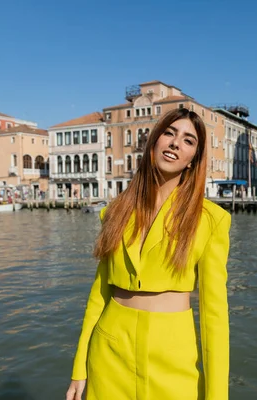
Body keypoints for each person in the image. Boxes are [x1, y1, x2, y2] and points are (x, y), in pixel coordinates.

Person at [66, 108, 231, 400]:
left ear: (194, 158)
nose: (175, 143)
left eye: (188, 140)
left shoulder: (211, 220)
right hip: (108, 352)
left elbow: (214, 318)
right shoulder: (114, 212)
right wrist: (79, 367)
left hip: (173, 358)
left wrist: (217, 395)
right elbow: (98, 296)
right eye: (169, 133)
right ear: (154, 142)